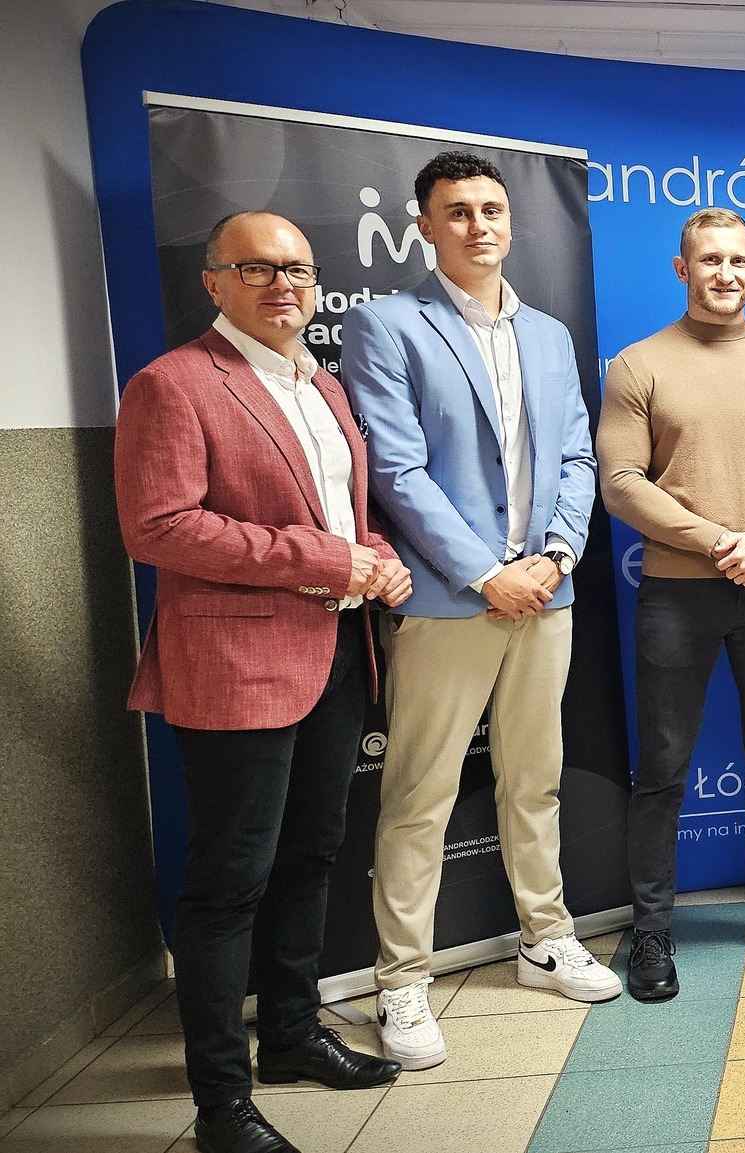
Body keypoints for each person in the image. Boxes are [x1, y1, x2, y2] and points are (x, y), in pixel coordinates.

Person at [116, 210, 409, 1153]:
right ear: (214, 282)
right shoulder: (172, 383)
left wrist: (376, 555)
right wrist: (326, 559)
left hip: (337, 655)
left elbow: (340, 514)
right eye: (257, 268)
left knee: (312, 855)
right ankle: (222, 1105)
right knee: (229, 881)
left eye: (298, 270)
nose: (283, 284)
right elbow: (158, 526)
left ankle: (289, 1034)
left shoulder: (321, 383)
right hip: (237, 666)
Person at [344, 150, 618, 1072]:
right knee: (418, 794)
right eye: (457, 211)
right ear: (425, 226)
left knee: (534, 778)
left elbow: (577, 458)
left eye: (492, 209)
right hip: (450, 601)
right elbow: (396, 471)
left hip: (547, 591)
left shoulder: (547, 333)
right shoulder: (388, 325)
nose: (479, 225)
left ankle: (546, 937)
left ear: (511, 220)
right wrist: (484, 572)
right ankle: (401, 980)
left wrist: (555, 556)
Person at [598, 207, 745, 996]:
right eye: (710, 260)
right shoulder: (638, 365)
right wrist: (718, 541)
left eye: (739, 260)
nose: (725, 273)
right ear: (683, 269)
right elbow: (621, 482)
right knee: (663, 766)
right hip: (678, 593)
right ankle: (652, 929)